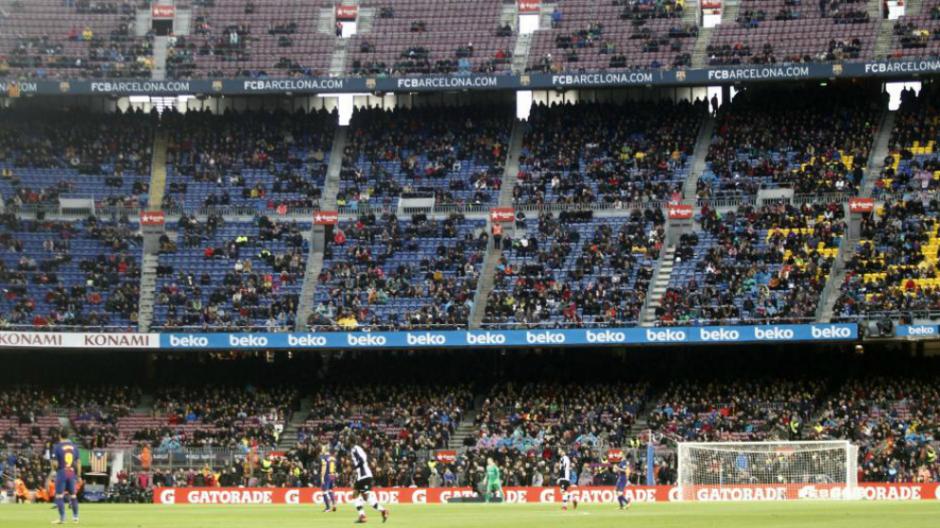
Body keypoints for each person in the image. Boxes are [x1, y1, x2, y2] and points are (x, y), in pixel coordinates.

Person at [350, 438, 389, 524]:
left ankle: (363, 516)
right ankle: (381, 511)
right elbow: (365, 457)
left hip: (364, 476)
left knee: (359, 496)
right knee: (360, 496)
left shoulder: (354, 449)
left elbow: (362, 460)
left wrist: (355, 468)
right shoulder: (358, 448)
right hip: (363, 476)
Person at [52, 430, 81, 524]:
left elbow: (55, 463)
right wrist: (79, 475)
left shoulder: (57, 447)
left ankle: (62, 518)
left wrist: (54, 469)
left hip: (62, 472)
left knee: (59, 495)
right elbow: (78, 462)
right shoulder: (75, 447)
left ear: (60, 436)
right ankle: (75, 517)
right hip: (71, 472)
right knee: (73, 495)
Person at [320, 446, 337, 513]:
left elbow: (324, 466)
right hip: (332, 475)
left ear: (325, 450)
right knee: (330, 490)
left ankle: (328, 508)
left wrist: (322, 476)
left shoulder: (324, 458)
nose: (322, 451)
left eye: (322, 449)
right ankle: (334, 504)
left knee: (324, 491)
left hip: (326, 475)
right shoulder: (333, 458)